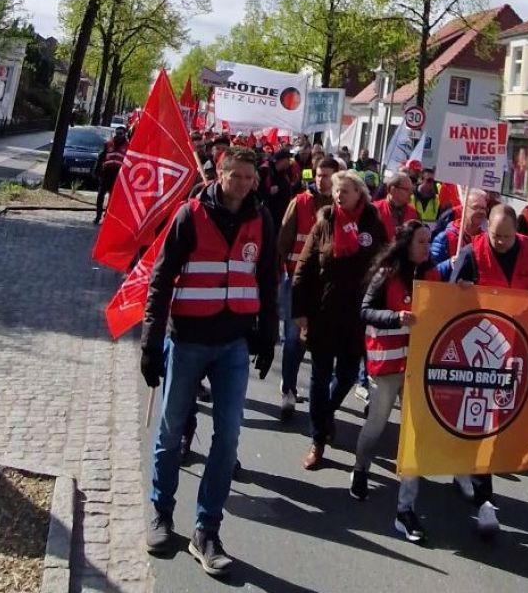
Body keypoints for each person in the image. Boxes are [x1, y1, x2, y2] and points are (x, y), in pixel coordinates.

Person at [141, 148, 277, 576]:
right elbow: (161, 279)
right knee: (170, 430)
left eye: (247, 177)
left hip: (233, 345)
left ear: (255, 179)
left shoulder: (262, 219)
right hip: (187, 340)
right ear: (220, 173)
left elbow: (268, 280)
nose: (240, 183)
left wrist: (268, 336)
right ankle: (162, 514)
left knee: (228, 439)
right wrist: (150, 342)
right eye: (234, 175)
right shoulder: (191, 214)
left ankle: (207, 530)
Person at [450, 204, 528, 537]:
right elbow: (447, 300)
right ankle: (485, 500)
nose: (503, 242)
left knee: (500, 422)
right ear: (486, 230)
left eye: (508, 236)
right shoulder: (470, 253)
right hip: (479, 353)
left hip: (515, 352)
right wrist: (459, 290)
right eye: (496, 236)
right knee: (481, 423)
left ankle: (467, 470)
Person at [351, 219, 440, 543]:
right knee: (375, 427)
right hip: (387, 365)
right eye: (421, 241)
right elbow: (364, 311)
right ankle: (361, 468)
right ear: (406, 243)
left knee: (413, 436)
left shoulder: (433, 275)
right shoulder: (387, 273)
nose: (426, 247)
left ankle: (406, 510)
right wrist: (395, 318)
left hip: (417, 367)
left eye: (429, 241)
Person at [292, 171, 388, 470]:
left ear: (360, 193)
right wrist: (299, 309)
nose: (338, 195)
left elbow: (384, 268)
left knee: (346, 376)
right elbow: (304, 267)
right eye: (336, 190)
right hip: (323, 314)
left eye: (345, 190)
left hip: (356, 318)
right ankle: (318, 438)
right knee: (319, 377)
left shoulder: (373, 225)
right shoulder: (325, 223)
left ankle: (326, 412)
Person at [275, 159, 337, 419]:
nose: (322, 180)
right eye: (320, 175)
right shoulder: (299, 202)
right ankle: (288, 390)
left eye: (328, 176)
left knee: (321, 342)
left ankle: (321, 398)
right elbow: (283, 241)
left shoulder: (341, 207)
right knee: (293, 339)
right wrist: (278, 275)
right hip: (297, 282)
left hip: (326, 286)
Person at [430, 189, 487, 269]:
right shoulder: (445, 238)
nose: (481, 212)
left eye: (483, 208)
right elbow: (431, 270)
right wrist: (449, 264)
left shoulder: (486, 240)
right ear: (463, 209)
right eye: (475, 207)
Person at [93, 133, 128, 224]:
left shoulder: (128, 146)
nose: (118, 136)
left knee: (113, 198)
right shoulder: (108, 144)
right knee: (100, 195)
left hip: (118, 174)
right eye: (117, 134)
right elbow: (100, 157)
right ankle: (98, 216)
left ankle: (107, 216)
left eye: (120, 134)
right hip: (106, 173)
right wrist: (96, 170)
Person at [375, 173, 418, 240]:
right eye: (407, 189)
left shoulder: (413, 213)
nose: (411, 193)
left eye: (411, 189)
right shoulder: (374, 209)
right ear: (393, 189)